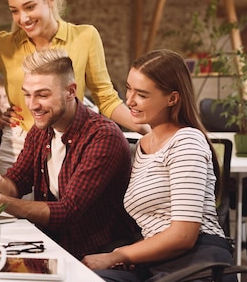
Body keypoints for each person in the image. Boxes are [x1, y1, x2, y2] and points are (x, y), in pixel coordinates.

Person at [0, 48, 138, 260]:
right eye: (27, 94)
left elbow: (67, 212)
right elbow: (17, 183)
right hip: (50, 246)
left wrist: (1, 200)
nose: (32, 105)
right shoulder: (40, 131)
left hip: (93, 257)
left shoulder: (103, 137)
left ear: (71, 91)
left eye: (42, 95)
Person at [0, 0, 149, 175]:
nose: (23, 18)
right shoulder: (5, 44)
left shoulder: (85, 37)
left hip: (69, 142)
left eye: (29, 7)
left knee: (61, 209)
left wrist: (147, 128)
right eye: (15, 10)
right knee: (12, 207)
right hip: (18, 144)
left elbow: (105, 98)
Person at [82, 49, 235, 282]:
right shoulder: (143, 145)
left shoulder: (186, 141)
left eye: (141, 94)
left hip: (196, 263)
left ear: (172, 98)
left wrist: (116, 256)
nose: (130, 100)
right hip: (157, 263)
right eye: (129, 88)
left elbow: (183, 235)